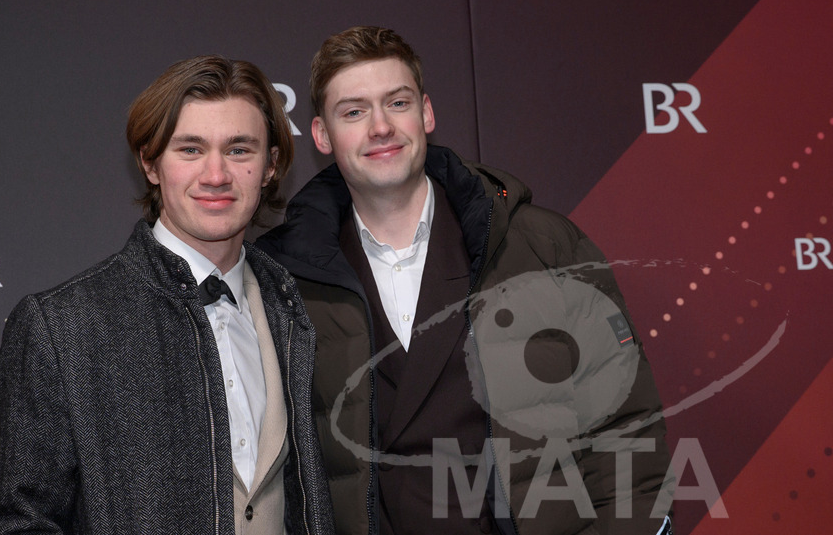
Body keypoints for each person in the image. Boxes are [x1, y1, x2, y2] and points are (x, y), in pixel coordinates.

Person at [257, 27, 674, 535]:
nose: (381, 127)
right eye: (354, 112)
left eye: (397, 103)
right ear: (322, 135)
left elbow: (625, 421)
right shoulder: (284, 278)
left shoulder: (543, 247)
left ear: (427, 113)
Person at [0, 55, 334, 535]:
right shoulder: (62, 326)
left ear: (270, 166)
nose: (215, 175)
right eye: (190, 149)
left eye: (238, 150)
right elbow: (18, 524)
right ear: (150, 162)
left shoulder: (293, 309)